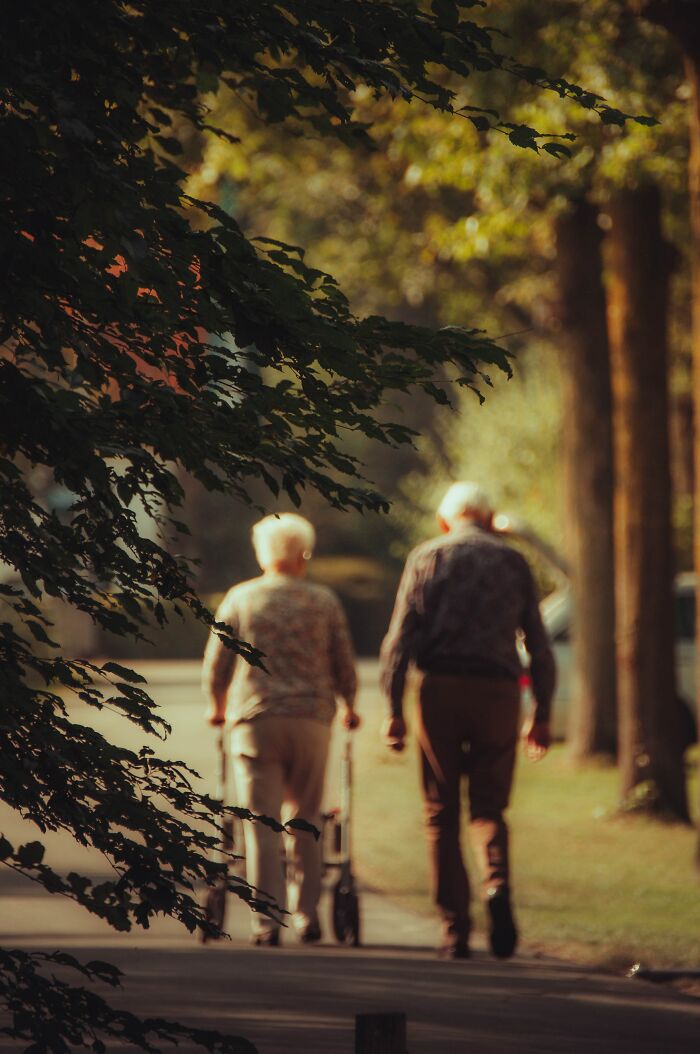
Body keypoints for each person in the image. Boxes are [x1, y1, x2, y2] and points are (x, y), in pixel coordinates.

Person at [379, 482, 555, 960]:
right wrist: (541, 714)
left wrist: (394, 711)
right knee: (489, 808)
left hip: (441, 689)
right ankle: (496, 886)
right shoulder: (513, 561)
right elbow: (539, 645)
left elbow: (399, 641)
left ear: (445, 520)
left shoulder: (427, 557)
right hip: (499, 693)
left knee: (441, 811)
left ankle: (455, 929)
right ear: (489, 516)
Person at [202, 512, 360, 947]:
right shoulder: (323, 601)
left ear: (263, 554)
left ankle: (265, 923)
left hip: (256, 722)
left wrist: (216, 707)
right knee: (307, 818)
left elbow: (217, 663)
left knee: (260, 824)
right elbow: (343, 662)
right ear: (302, 555)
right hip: (311, 719)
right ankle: (308, 916)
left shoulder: (242, 598)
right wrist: (350, 705)